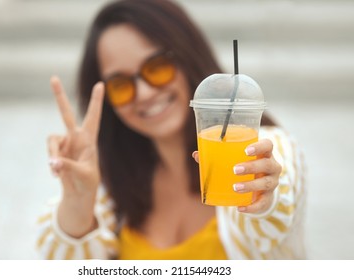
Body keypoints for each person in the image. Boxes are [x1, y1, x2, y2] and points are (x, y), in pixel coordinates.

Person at [36, 0, 306, 260]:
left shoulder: (261, 147)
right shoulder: (114, 182)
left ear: (187, 57)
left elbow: (276, 212)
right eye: (121, 84)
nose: (144, 93)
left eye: (157, 67)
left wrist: (264, 197)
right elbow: (70, 263)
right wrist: (78, 202)